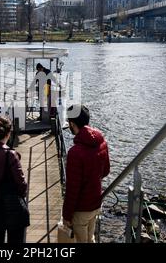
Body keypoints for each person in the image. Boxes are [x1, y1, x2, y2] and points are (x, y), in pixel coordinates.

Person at [62, 104, 110, 243]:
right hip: (96, 202)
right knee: (91, 238)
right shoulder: (101, 142)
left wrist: (66, 215)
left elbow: (72, 189)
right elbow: (106, 171)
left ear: (71, 124)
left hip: (81, 209)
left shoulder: (75, 153)